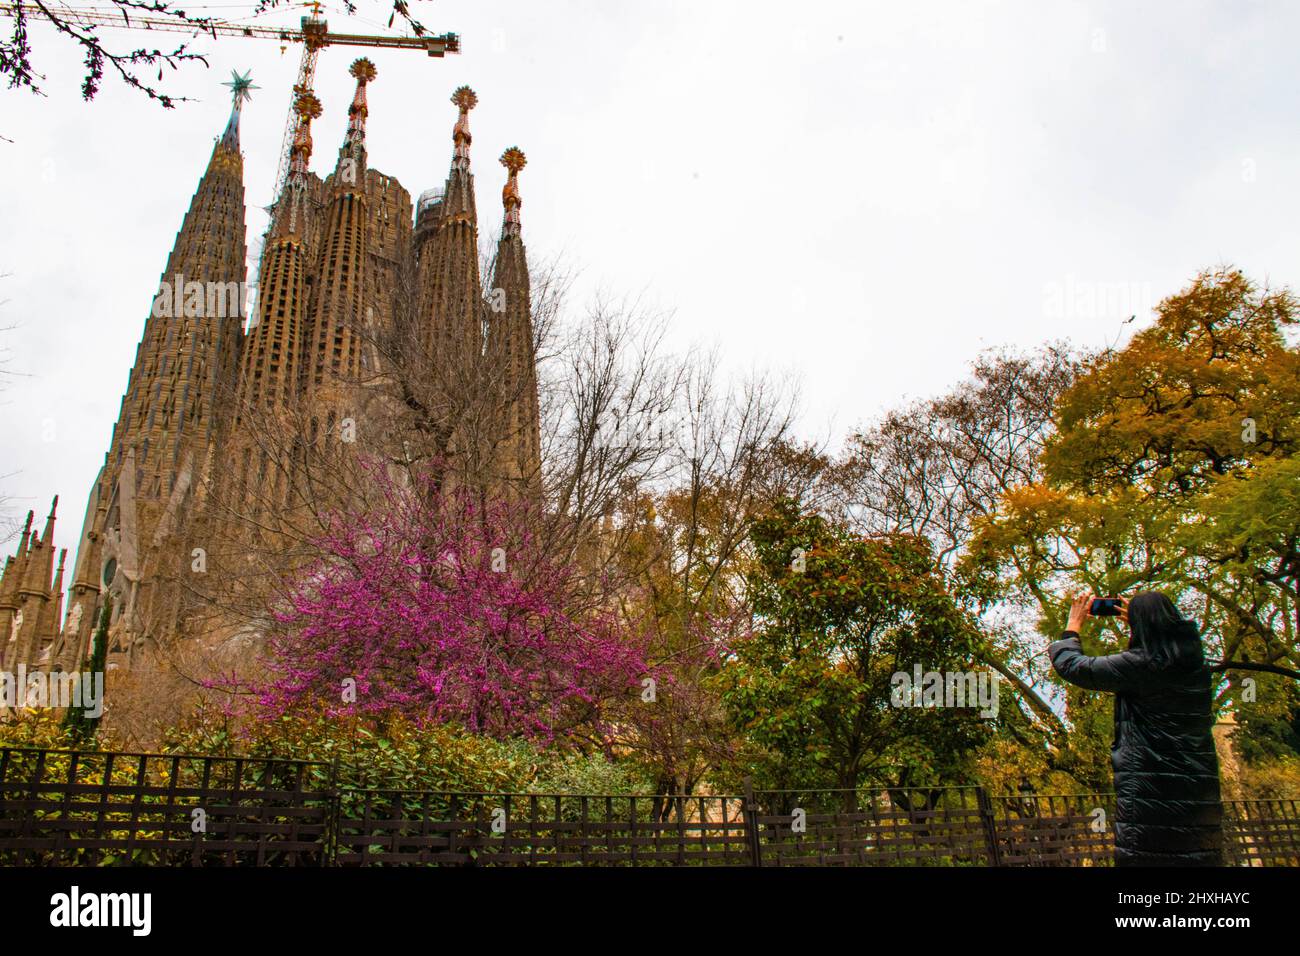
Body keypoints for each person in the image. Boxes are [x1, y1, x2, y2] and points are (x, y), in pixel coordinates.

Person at [1049, 591, 1225, 866]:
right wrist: (1143, 620)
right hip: (1198, 797)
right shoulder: (1196, 666)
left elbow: (1074, 667)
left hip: (1152, 798)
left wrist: (1072, 628)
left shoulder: (1142, 664)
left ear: (1140, 625)